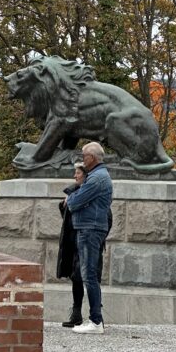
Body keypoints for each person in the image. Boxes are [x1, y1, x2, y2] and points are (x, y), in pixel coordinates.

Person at [64, 141, 113, 335]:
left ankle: (95, 320)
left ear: (91, 158)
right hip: (89, 227)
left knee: (89, 274)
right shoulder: (96, 176)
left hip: (90, 229)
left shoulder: (96, 178)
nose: (82, 159)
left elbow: (74, 202)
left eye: (84, 156)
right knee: (88, 274)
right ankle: (95, 319)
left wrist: (72, 199)